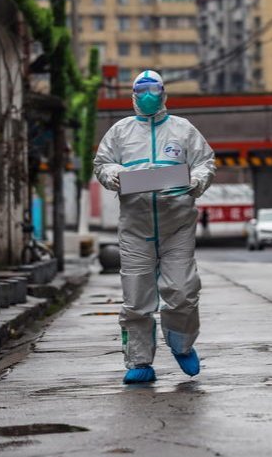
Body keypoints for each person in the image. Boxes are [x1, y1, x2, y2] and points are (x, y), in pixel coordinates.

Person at [94, 70, 216, 384]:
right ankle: (139, 361)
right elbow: (102, 163)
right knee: (136, 297)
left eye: (153, 89)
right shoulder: (120, 132)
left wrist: (196, 181)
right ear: (133, 95)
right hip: (136, 227)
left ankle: (181, 343)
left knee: (182, 291)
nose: (148, 94)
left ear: (163, 93)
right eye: (141, 89)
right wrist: (115, 174)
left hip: (177, 225)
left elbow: (205, 161)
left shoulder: (182, 129)